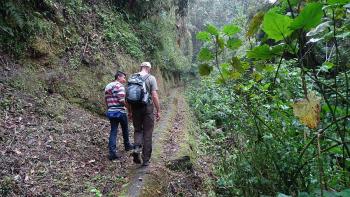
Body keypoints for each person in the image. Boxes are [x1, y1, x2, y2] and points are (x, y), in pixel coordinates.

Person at [129, 62, 160, 166]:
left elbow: (127, 95)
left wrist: (129, 111)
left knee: (138, 130)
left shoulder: (132, 77)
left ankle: (137, 148)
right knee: (147, 133)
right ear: (148, 68)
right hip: (147, 108)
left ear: (141, 67)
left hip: (135, 108)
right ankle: (146, 160)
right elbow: (154, 96)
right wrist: (158, 110)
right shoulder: (151, 78)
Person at [104, 70, 133, 160]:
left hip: (111, 112)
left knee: (113, 131)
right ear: (119, 77)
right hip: (120, 112)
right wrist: (129, 110)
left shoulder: (108, 86)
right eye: (124, 77)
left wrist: (109, 108)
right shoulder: (120, 86)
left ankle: (112, 153)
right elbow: (122, 100)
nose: (124, 79)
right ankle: (127, 145)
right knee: (125, 129)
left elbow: (105, 98)